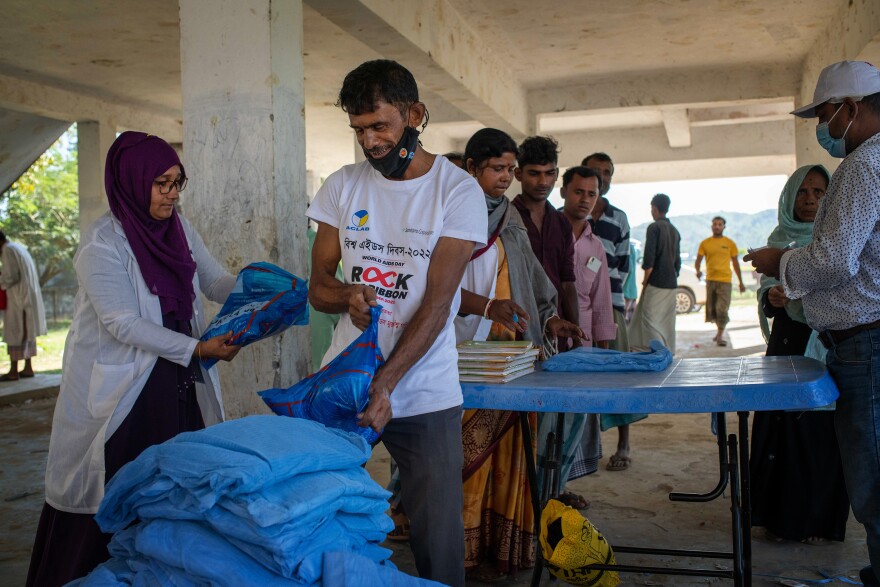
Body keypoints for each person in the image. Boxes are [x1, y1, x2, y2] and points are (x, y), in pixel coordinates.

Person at [26, 131, 243, 587]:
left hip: (178, 385)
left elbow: (214, 281)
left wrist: (260, 289)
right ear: (131, 180)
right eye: (161, 183)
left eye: (177, 182)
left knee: (173, 496)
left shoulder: (179, 227)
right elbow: (122, 323)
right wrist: (197, 350)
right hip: (128, 395)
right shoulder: (102, 243)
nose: (172, 193)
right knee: (111, 498)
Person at [307, 60, 486, 587]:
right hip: (344, 381)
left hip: (424, 390)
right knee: (326, 514)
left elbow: (436, 305)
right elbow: (317, 287)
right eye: (359, 129)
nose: (369, 141)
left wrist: (386, 384)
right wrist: (347, 295)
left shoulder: (457, 192)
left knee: (436, 535)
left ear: (415, 115)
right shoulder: (343, 187)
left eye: (379, 126)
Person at [744, 60, 880, 587]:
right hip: (858, 339)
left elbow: (834, 261)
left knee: (871, 482)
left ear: (848, 108)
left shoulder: (864, 166)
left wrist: (779, 261)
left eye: (825, 115)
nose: (823, 128)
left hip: (865, 341)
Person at [454, 127, 584, 581]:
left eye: (510, 168)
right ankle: (462, 554)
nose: (506, 177)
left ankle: (502, 550)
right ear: (472, 168)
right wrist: (488, 308)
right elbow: (436, 287)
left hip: (512, 357)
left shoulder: (507, 216)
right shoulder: (447, 214)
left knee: (511, 458)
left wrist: (549, 319)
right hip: (459, 355)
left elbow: (528, 275)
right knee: (465, 462)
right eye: (497, 168)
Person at [749, 164, 850, 546]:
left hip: (826, 345)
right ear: (789, 198)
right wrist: (773, 297)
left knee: (820, 433)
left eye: (819, 192)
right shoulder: (779, 239)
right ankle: (780, 518)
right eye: (803, 192)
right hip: (788, 345)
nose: (810, 200)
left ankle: (820, 521)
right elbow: (769, 292)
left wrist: (801, 293)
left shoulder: (835, 239)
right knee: (784, 429)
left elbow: (842, 282)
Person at [558, 165, 616, 503]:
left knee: (576, 416)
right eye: (578, 192)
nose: (584, 200)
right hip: (549, 337)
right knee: (548, 415)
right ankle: (543, 486)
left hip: (584, 343)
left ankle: (560, 484)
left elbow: (602, 299)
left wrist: (603, 353)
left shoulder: (596, 246)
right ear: (564, 191)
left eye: (591, 194)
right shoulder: (547, 232)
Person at [582, 152, 639, 472]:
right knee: (580, 380)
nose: (602, 177)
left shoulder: (619, 218)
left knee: (620, 377)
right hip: (576, 311)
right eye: (595, 171)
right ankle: (583, 449)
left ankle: (624, 444)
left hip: (613, 305)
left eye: (607, 173)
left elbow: (623, 265)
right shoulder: (567, 215)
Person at [511, 136, 579, 331]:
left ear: (557, 174)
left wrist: (575, 333)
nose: (543, 181)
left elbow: (567, 282)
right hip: (517, 328)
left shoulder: (562, 223)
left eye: (549, 173)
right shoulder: (506, 219)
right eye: (534, 173)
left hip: (557, 329)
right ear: (518, 174)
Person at [629, 193, 680, 353]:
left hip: (657, 281)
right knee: (666, 322)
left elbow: (649, 260)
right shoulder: (674, 230)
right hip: (672, 282)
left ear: (655, 208)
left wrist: (645, 282)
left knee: (649, 320)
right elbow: (677, 262)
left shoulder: (654, 227)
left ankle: (658, 353)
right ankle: (668, 351)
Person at [0, 233, 47, 380]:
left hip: (18, 299)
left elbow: (11, 276)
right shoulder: (19, 247)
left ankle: (14, 371)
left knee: (16, 332)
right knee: (26, 332)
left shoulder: (8, 250)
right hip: (26, 298)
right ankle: (28, 368)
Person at [695, 217, 746, 346]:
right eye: (715, 224)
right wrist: (697, 270)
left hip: (725, 281)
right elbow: (698, 261)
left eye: (720, 224)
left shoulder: (730, 243)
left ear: (724, 227)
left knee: (722, 308)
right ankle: (719, 331)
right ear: (712, 226)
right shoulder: (705, 243)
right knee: (712, 309)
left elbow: (735, 264)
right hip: (710, 280)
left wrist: (740, 282)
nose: (717, 226)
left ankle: (720, 335)